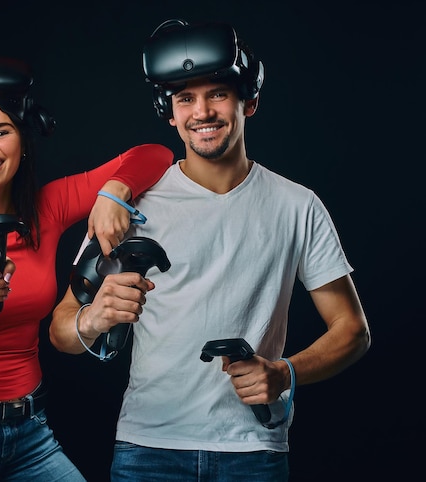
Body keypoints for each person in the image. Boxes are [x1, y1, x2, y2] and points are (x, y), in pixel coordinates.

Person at [49, 19, 371, 481]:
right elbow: (61, 332)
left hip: (253, 451)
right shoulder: (128, 206)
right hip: (148, 448)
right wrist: (95, 317)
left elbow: (353, 330)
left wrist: (285, 373)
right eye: (185, 98)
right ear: (170, 112)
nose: (202, 111)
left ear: (249, 101)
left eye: (217, 93)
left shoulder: (297, 205)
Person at [0, 56, 173, 482]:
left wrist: (115, 193)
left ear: (23, 143)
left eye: (1, 132)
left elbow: (155, 153)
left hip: (27, 428)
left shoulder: (46, 208)